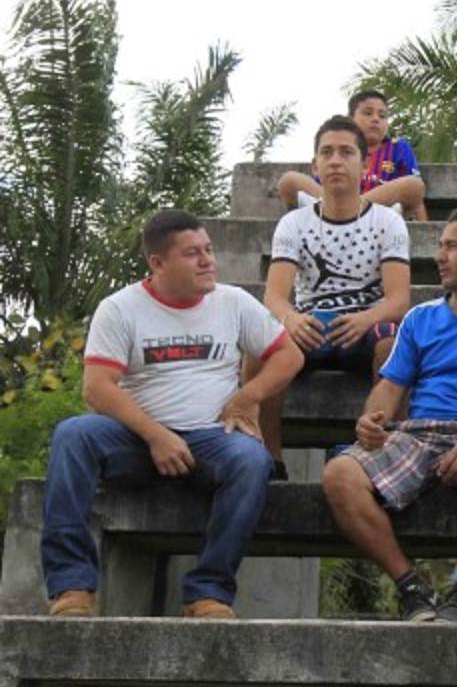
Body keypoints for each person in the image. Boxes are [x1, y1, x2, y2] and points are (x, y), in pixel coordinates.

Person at [40, 209, 304, 619]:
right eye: (192, 253)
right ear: (158, 263)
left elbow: (289, 355)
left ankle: (208, 593)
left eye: (209, 250)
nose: (207, 261)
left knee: (252, 459)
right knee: (73, 435)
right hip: (136, 440)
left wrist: (248, 396)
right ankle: (71, 587)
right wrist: (155, 435)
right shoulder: (120, 308)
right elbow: (97, 387)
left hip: (212, 439)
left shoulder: (233, 302)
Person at [322, 208, 457, 622]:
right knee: (340, 474)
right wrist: (372, 420)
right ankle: (410, 587)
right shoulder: (420, 317)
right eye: (440, 246)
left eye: (452, 246)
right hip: (418, 434)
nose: (439, 256)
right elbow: (390, 386)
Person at [250, 115, 412, 475]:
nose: (336, 161)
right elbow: (274, 297)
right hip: (311, 326)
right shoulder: (294, 223)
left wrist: (366, 318)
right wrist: (291, 319)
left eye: (346, 152)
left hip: (367, 327)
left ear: (364, 163)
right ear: (315, 165)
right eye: (327, 153)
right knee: (259, 340)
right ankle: (269, 458)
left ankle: (385, 454)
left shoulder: (388, 221)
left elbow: (398, 300)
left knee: (393, 341)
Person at [278, 90, 428, 220]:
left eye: (382, 116)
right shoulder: (335, 142)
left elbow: (416, 197)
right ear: (351, 118)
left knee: (415, 185)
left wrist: (426, 230)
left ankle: (346, 210)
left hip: (381, 214)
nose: (376, 119)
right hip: (329, 204)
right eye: (368, 113)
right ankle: (340, 210)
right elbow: (318, 184)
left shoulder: (398, 147)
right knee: (289, 181)